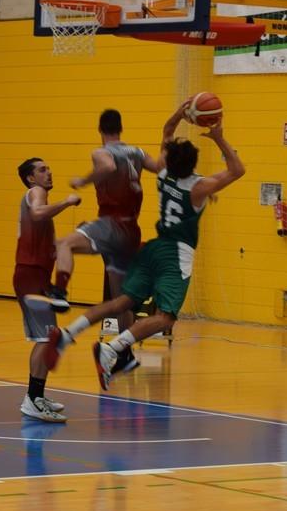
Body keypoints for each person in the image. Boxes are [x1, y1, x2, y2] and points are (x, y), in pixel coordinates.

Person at [45, 116, 245, 388]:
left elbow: (166, 131)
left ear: (169, 160)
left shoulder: (163, 175)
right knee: (165, 317)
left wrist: (180, 114)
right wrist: (219, 136)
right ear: (193, 164)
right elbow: (237, 170)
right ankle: (113, 348)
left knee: (121, 302)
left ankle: (68, 333)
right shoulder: (200, 187)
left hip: (153, 248)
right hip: (176, 255)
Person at [46, 111, 164, 336]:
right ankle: (124, 351)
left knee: (64, 244)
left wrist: (84, 180)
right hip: (131, 232)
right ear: (121, 128)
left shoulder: (102, 152)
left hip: (112, 223)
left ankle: (59, 293)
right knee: (120, 301)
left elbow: (108, 167)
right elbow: (160, 166)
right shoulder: (137, 152)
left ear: (99, 129)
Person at [14, 158, 80, 422]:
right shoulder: (36, 193)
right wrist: (66, 201)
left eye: (49, 168)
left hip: (36, 275)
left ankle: (37, 395)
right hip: (29, 275)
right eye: (42, 169)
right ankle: (32, 398)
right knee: (44, 338)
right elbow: (38, 212)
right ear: (31, 178)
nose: (49, 172)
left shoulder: (38, 199)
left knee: (46, 336)